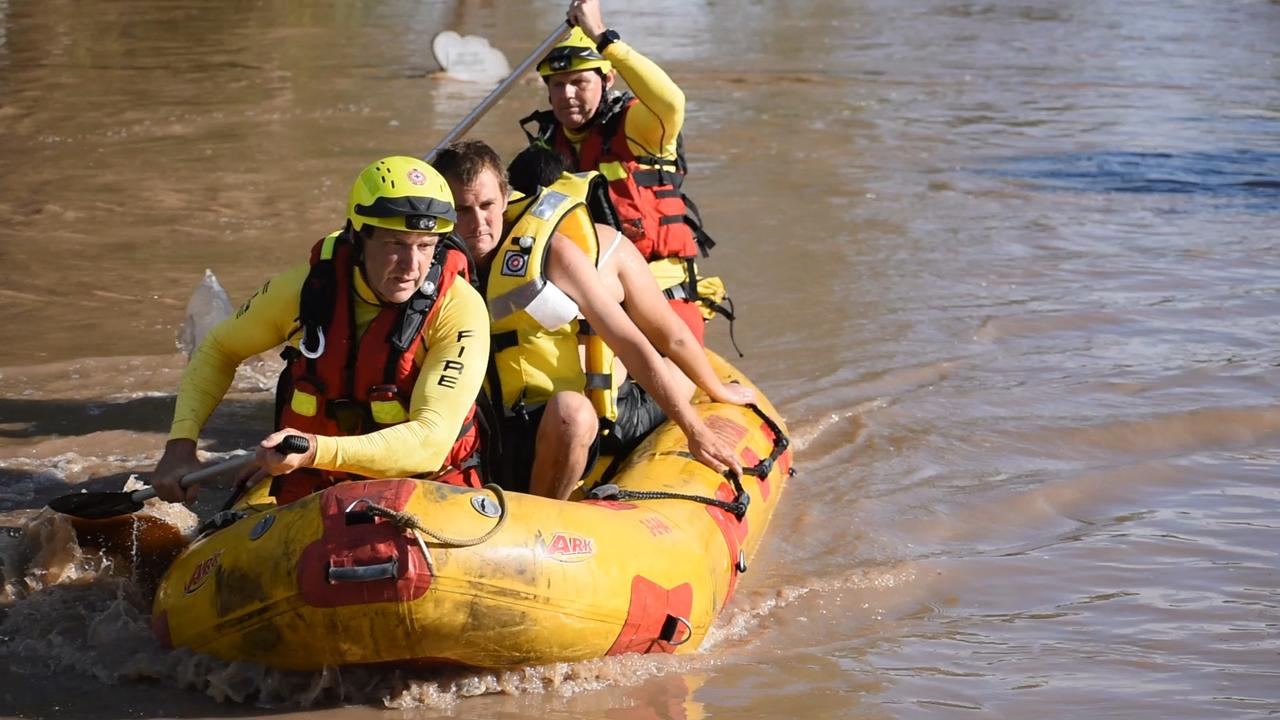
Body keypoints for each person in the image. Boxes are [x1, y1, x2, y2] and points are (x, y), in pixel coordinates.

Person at [151, 156, 490, 505]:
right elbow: (219, 348)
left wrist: (313, 449)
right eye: (395, 244)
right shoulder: (306, 290)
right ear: (358, 238)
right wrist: (180, 445)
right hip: (316, 480)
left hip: (427, 482)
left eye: (425, 246)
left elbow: (429, 444)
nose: (411, 266)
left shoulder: (459, 308)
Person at [433, 140, 747, 500]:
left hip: (546, 426)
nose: (478, 224)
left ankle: (547, 517)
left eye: (487, 206)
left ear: (506, 197)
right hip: (473, 430)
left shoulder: (555, 253)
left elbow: (628, 340)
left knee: (574, 411)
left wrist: (694, 427)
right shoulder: (426, 258)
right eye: (462, 210)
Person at [521, 0, 718, 343]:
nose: (566, 95)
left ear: (607, 78)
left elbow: (671, 102)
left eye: (579, 82)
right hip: (589, 296)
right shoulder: (546, 144)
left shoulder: (640, 127)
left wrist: (603, 38)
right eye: (557, 84)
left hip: (662, 293)